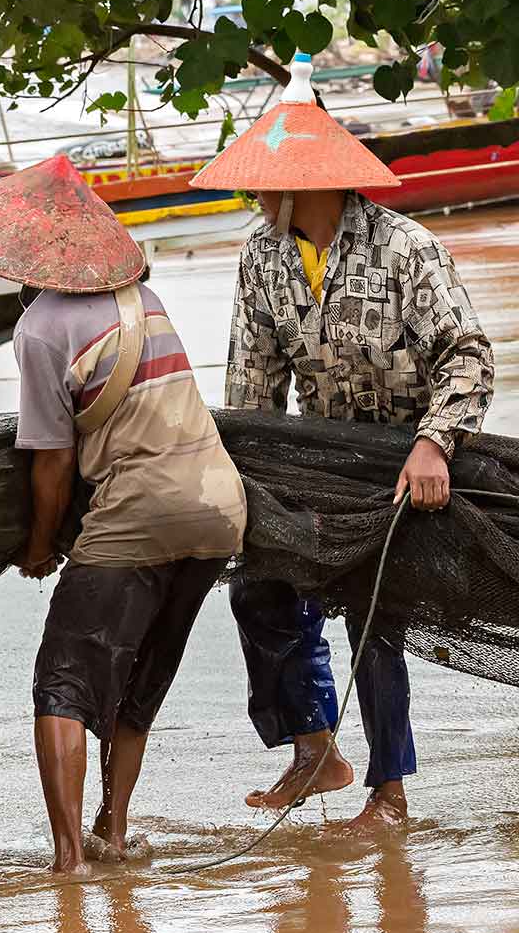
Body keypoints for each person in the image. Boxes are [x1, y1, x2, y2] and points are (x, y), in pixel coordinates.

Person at [192, 53, 494, 832]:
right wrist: (245, 477)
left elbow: (467, 357)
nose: (254, 195)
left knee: (373, 617)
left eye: (264, 182)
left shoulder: (405, 248)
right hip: (316, 464)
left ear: (311, 183)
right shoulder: (262, 257)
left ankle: (389, 792)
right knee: (256, 587)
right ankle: (315, 748)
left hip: (403, 464)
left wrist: (434, 444)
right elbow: (253, 384)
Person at [0, 156, 247, 875]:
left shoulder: (41, 328)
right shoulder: (147, 298)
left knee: (64, 684)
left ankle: (69, 855)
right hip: (219, 509)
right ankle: (114, 823)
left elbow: (50, 461)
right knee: (142, 676)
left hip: (137, 512)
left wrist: (40, 546)